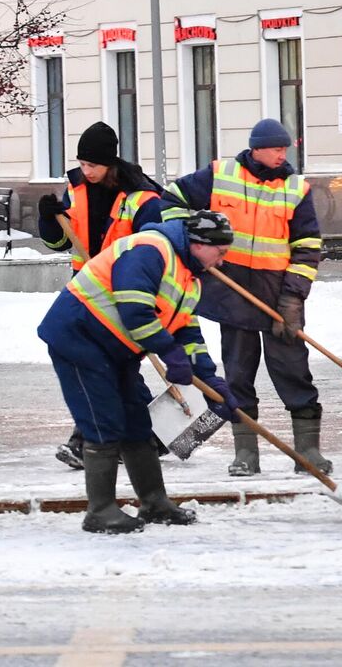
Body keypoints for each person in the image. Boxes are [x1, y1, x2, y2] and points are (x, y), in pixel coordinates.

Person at [35, 209, 240, 534]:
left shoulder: (190, 276)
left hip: (117, 350)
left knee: (137, 421)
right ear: (200, 243)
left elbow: (186, 329)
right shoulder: (151, 250)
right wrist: (169, 353)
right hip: (79, 337)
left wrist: (209, 378)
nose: (223, 261)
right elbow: (135, 310)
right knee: (103, 420)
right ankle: (100, 511)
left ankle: (154, 503)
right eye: (221, 252)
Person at [160, 118, 328, 476]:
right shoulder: (221, 175)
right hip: (231, 293)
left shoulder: (296, 189)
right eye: (275, 149)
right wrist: (191, 242)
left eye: (285, 149)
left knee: (293, 370)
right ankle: (245, 453)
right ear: (256, 149)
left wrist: (294, 298)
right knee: (237, 374)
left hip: (278, 296)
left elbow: (307, 246)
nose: (282, 155)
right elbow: (172, 199)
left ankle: (309, 451)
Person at [38, 122, 164, 472]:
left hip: (125, 292)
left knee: (108, 366)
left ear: (110, 163)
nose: (86, 171)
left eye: (93, 165)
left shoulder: (141, 198)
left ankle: (89, 441)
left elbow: (155, 249)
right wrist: (48, 219)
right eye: (83, 164)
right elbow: (58, 243)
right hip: (86, 292)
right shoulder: (76, 189)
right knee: (112, 366)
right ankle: (148, 434)